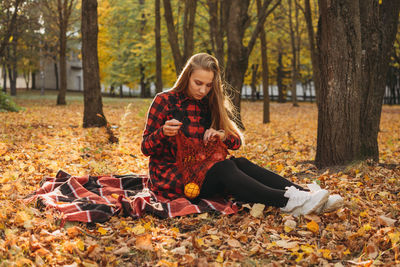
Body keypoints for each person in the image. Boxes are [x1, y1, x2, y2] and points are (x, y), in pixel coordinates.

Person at [141, 53, 343, 216]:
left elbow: (236, 142)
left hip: (202, 172)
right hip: (173, 179)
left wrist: (221, 135)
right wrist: (162, 133)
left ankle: (306, 196)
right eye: (198, 83)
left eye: (209, 85)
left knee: (241, 162)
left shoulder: (209, 104)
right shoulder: (164, 101)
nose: (203, 89)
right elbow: (146, 148)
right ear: (187, 77)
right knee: (224, 167)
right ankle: (288, 201)